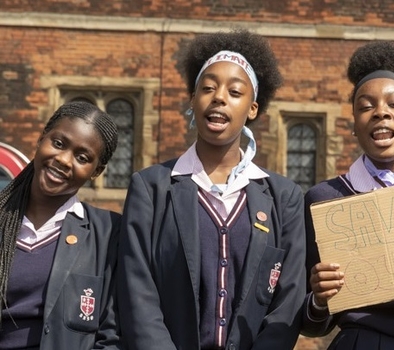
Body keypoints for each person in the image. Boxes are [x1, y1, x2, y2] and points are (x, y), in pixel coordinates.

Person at [117, 29, 306, 350]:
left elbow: (288, 299)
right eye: (207, 88)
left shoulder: (283, 197)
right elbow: (137, 290)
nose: (219, 97)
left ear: (253, 109)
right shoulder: (151, 188)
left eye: (235, 92)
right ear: (193, 99)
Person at [301, 41, 394, 349]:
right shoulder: (327, 199)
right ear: (354, 125)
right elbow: (310, 324)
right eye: (366, 106)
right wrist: (318, 299)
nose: (380, 112)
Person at [0, 101, 121, 349]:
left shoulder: (109, 233)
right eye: (58, 143)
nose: (64, 160)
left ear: (96, 171)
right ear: (41, 139)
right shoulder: (4, 217)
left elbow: (113, 334)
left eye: (82, 157)